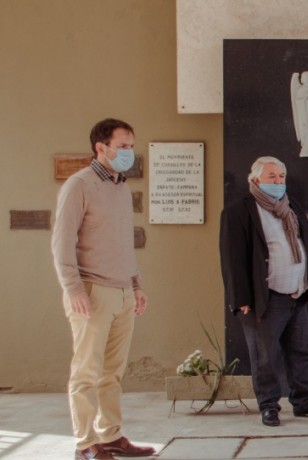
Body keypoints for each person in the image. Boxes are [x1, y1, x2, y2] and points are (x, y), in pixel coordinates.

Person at [51, 118, 156, 460]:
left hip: (123, 292)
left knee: (112, 373)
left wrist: (136, 285)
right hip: (92, 291)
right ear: (101, 147)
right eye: (124, 146)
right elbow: (61, 244)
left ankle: (110, 436)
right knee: (86, 373)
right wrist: (74, 289)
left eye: (131, 146)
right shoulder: (78, 186)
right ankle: (85, 444)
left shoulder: (120, 188)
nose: (130, 153)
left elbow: (125, 244)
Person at [219, 156, 308, 427]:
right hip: (264, 298)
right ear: (255, 180)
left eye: (281, 177)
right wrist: (241, 298)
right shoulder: (238, 212)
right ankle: (269, 405)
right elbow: (232, 260)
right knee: (265, 357)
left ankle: (303, 402)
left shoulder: (291, 207)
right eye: (272, 177)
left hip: (297, 293)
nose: (278, 182)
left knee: (301, 352)